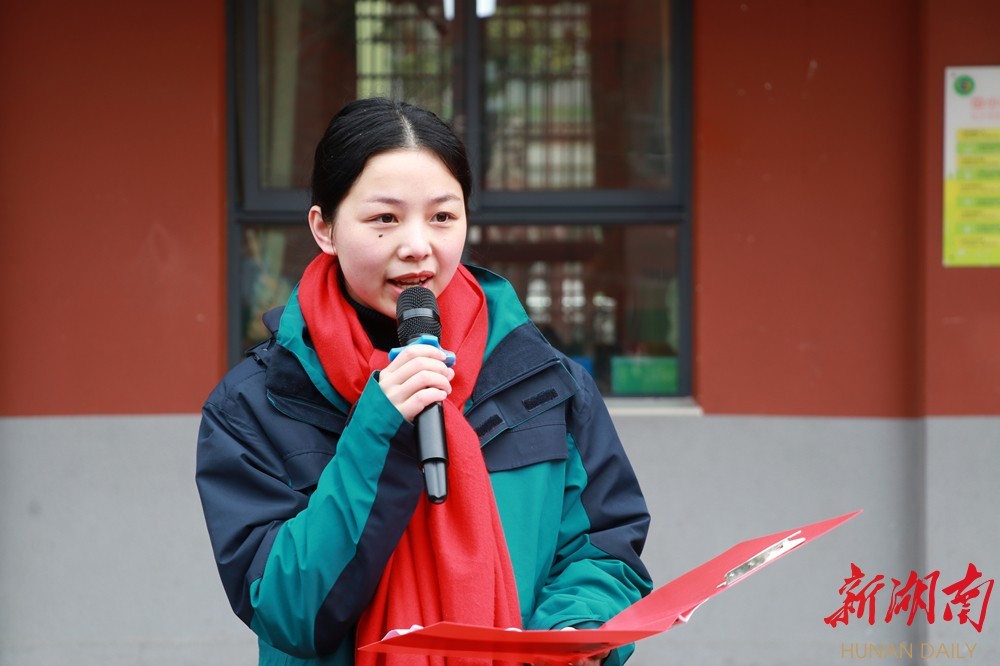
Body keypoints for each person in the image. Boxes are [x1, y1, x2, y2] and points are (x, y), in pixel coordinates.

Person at [196, 97, 652, 666]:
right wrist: (378, 432)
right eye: (385, 218)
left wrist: (574, 630)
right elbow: (288, 611)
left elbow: (605, 548)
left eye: (442, 216)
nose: (419, 245)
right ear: (325, 228)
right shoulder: (255, 404)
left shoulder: (544, 380)